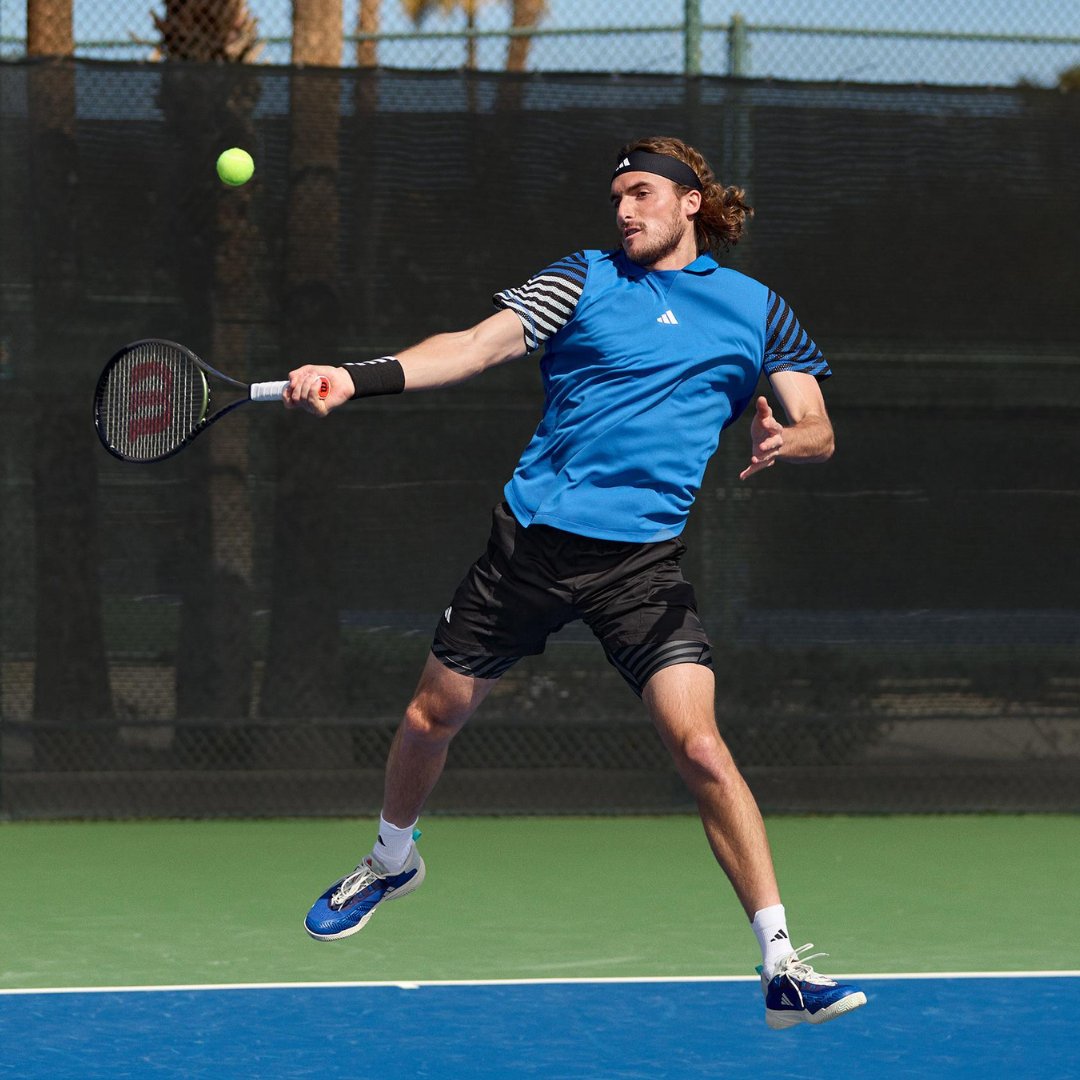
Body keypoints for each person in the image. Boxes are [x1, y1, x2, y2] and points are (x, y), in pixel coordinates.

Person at [285, 136, 866, 1030]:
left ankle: (782, 963)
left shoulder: (756, 310)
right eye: (615, 198)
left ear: (690, 204)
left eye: (640, 194)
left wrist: (794, 438)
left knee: (701, 747)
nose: (624, 211)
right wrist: (356, 379)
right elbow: (475, 347)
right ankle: (392, 858)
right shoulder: (583, 279)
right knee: (431, 717)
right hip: (531, 549)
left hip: (641, 564)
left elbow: (819, 419)